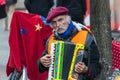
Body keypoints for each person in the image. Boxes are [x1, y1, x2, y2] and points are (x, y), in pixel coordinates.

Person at [38, 6, 101, 80]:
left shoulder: (85, 36)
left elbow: (96, 65)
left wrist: (86, 70)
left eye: (60, 20)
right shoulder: (51, 40)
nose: (58, 25)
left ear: (68, 19)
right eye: (54, 22)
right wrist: (42, 63)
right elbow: (43, 63)